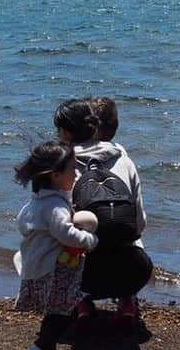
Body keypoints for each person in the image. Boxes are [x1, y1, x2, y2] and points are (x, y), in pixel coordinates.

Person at [53, 98, 152, 333]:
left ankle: (82, 304)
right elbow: (140, 224)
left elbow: (57, 225)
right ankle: (127, 301)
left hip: (85, 274)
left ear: (67, 132)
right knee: (129, 232)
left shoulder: (63, 164)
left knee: (58, 231)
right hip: (135, 271)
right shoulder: (124, 160)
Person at [13, 140, 98, 350]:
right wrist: (89, 239)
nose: (77, 173)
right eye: (73, 169)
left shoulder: (37, 201)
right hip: (54, 269)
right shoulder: (54, 206)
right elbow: (66, 233)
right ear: (56, 175)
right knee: (65, 312)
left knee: (56, 312)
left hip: (42, 267)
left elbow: (23, 224)